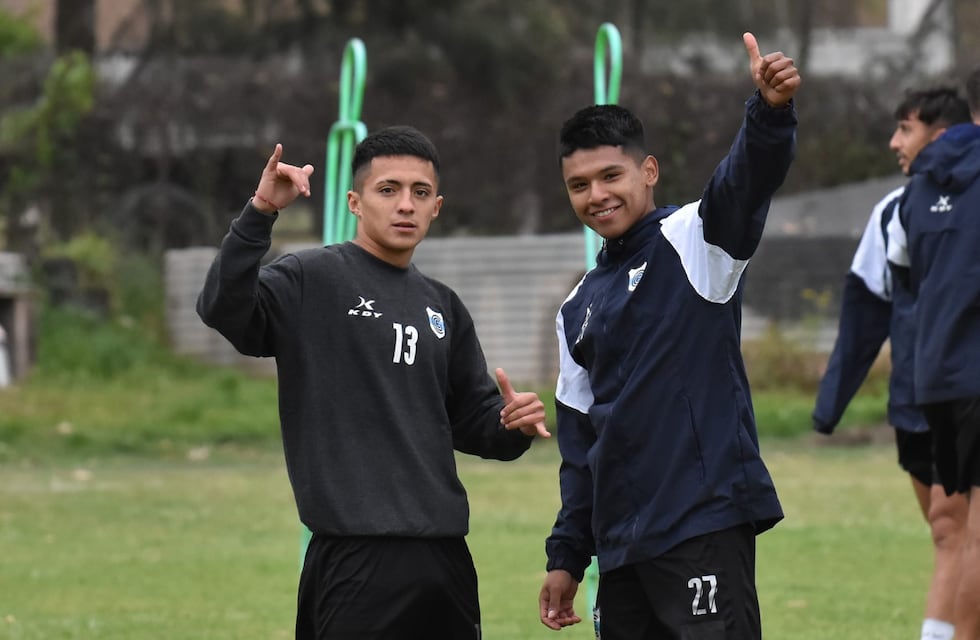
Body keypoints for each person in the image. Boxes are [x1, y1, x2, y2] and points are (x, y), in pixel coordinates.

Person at [197, 126, 550, 639]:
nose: (405, 204)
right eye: (388, 190)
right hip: (353, 558)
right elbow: (222, 308)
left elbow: (472, 424)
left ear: (436, 208)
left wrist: (511, 424)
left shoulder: (443, 305)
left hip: (444, 557)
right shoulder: (310, 278)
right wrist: (260, 212)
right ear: (355, 202)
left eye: (420, 193)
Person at [538, 32, 798, 638]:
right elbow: (580, 452)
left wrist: (768, 112)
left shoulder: (693, 241)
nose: (597, 195)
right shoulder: (576, 305)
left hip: (701, 527)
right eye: (580, 185)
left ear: (648, 170)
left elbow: (746, 180)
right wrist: (567, 555)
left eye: (611, 175)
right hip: (621, 549)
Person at [813, 87, 971, 640]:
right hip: (918, 402)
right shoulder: (896, 212)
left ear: (943, 130)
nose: (893, 142)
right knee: (947, 532)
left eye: (905, 128)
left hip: (957, 394)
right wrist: (829, 407)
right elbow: (864, 315)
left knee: (958, 533)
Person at [887, 69, 980, 640]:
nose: (896, 142)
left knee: (962, 533)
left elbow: (907, 290)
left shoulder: (914, 195)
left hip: (938, 382)